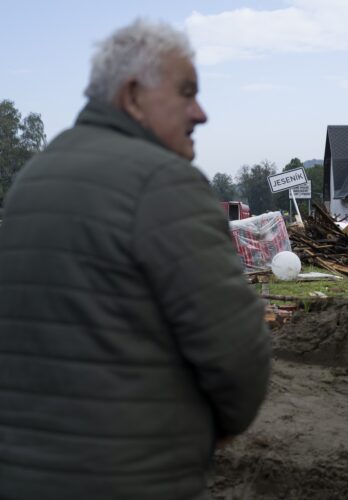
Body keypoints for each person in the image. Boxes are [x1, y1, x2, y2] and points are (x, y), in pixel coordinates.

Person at [0, 19, 271, 499]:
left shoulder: (33, 180)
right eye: (187, 93)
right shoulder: (164, 183)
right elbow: (238, 357)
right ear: (132, 96)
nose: (201, 112)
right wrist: (219, 423)